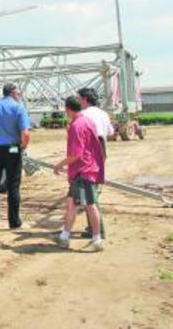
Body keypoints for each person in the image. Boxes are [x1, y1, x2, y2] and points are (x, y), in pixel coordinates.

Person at [53, 96, 105, 252]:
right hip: (86, 171)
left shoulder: (76, 126)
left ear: (67, 108)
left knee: (89, 205)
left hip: (83, 172)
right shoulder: (87, 120)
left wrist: (59, 165)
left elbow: (75, 154)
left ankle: (96, 239)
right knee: (71, 204)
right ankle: (64, 236)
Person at [0, 83, 32, 229]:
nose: (20, 95)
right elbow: (26, 133)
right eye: (19, 93)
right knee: (13, 185)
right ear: (12, 93)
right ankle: (14, 221)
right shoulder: (18, 107)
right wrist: (22, 146)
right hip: (12, 149)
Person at [77, 87, 114, 238]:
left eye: (79, 98)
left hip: (88, 150)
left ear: (85, 99)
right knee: (92, 189)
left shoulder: (82, 115)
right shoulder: (103, 113)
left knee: (87, 192)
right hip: (101, 149)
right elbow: (111, 133)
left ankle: (97, 229)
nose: (78, 101)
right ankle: (93, 227)